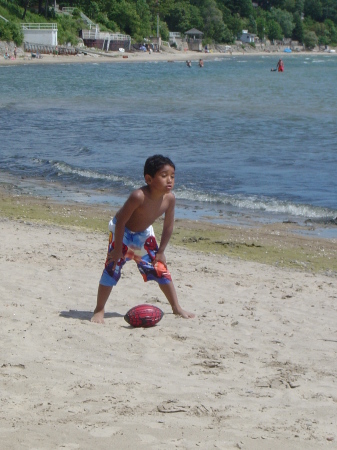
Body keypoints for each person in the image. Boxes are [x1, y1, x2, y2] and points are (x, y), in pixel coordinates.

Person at [91, 155, 195, 324]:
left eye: (173, 176)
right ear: (149, 178)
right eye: (164, 176)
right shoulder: (138, 196)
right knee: (112, 267)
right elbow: (121, 223)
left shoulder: (170, 199)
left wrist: (161, 251)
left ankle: (176, 307)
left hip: (143, 236)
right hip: (122, 233)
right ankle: (99, 309)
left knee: (160, 268)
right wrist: (117, 250)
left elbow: (168, 226)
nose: (169, 180)